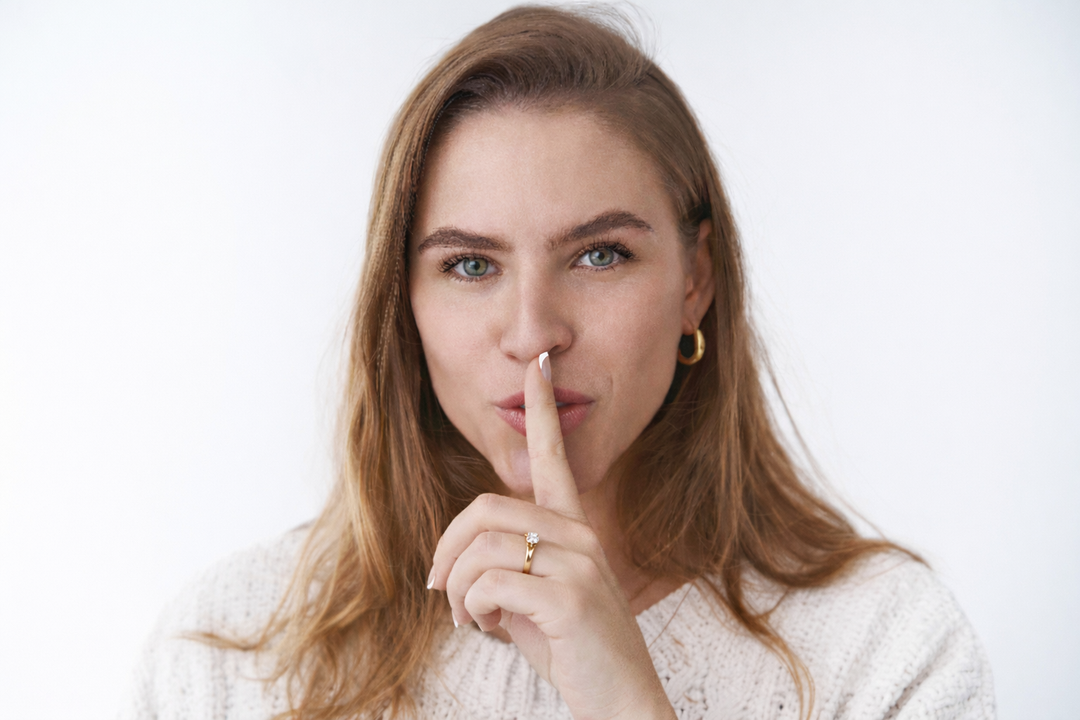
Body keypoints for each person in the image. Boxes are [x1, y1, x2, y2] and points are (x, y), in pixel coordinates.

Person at [123, 5, 995, 719]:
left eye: (600, 255)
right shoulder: (226, 656)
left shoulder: (885, 648)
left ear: (696, 282)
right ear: (404, 305)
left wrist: (627, 702)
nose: (533, 332)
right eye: (470, 265)